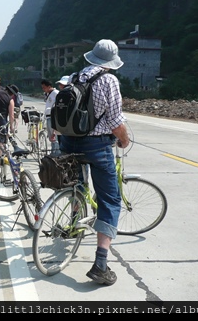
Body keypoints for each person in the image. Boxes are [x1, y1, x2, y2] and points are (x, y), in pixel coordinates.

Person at [53, 39, 130, 286]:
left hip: (68, 142)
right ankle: (100, 264)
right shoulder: (109, 80)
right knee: (109, 199)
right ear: (111, 62)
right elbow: (116, 121)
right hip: (96, 145)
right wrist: (124, 140)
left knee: (78, 185)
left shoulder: (75, 77)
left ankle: (74, 220)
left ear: (92, 57)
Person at [41, 78, 61, 156]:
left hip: (53, 117)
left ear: (49, 86)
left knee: (54, 135)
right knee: (51, 136)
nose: (43, 89)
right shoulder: (48, 94)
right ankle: (53, 151)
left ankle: (56, 153)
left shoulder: (56, 93)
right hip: (48, 116)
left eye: (44, 87)